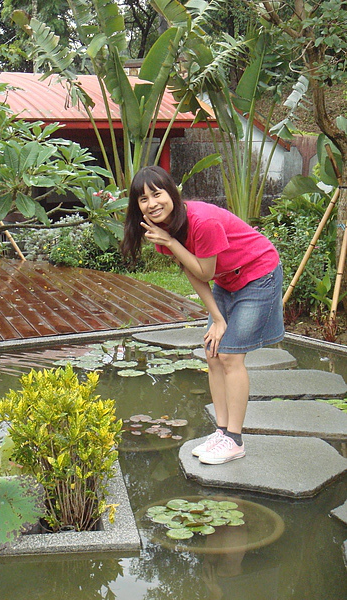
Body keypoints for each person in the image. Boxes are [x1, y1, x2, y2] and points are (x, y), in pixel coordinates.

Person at [121, 165, 284, 465]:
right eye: (143, 199)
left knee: (231, 356)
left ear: (171, 192)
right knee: (212, 352)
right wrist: (218, 318)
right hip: (227, 279)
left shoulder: (202, 222)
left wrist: (170, 243)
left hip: (258, 273)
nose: (152, 203)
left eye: (157, 194)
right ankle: (222, 432)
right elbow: (193, 273)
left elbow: (204, 269)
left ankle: (235, 440)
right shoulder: (166, 229)